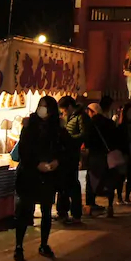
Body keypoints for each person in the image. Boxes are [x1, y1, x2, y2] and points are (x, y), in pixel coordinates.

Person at [14, 97, 67, 261]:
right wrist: (37, 164)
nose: (42, 109)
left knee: (46, 211)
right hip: (30, 173)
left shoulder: (57, 128)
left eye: (45, 107)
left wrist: (56, 162)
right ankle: (18, 246)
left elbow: (63, 150)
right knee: (24, 211)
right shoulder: (29, 126)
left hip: (48, 175)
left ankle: (44, 243)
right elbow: (23, 150)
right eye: (40, 106)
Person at [86, 97, 123, 218]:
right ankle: (110, 206)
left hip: (95, 156)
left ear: (92, 112)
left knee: (91, 181)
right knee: (109, 180)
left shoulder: (90, 124)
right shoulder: (110, 123)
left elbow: (88, 141)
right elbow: (116, 139)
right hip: (108, 157)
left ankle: (90, 206)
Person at [56, 96, 86, 225]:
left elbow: (83, 135)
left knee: (73, 184)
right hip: (65, 155)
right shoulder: (71, 117)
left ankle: (76, 214)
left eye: (64, 110)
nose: (63, 113)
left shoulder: (80, 117)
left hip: (72, 155)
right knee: (64, 184)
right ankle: (63, 212)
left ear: (69, 107)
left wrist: (70, 139)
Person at [118, 103, 131, 205]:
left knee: (130, 175)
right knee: (121, 176)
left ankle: (127, 196)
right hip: (124, 152)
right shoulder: (122, 126)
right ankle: (119, 197)